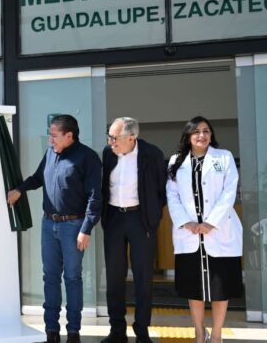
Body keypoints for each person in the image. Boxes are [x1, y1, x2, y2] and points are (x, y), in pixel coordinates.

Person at [7, 115, 102, 343]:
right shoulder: (51, 153)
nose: (50, 140)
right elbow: (38, 177)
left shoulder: (88, 158)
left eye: (54, 136)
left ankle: (73, 332)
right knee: (50, 277)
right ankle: (51, 330)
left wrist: (86, 229)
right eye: (50, 135)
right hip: (49, 224)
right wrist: (20, 189)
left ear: (69, 136)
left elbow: (95, 197)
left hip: (74, 226)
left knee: (72, 278)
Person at [166, 116, 243, 343]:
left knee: (221, 288)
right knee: (194, 289)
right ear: (188, 137)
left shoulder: (224, 157)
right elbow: (172, 195)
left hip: (219, 232)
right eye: (196, 131)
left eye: (206, 131)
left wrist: (212, 222)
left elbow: (229, 192)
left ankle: (217, 335)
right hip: (189, 234)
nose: (202, 135)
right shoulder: (175, 162)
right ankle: (200, 333)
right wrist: (185, 222)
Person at [101, 117, 167, 343]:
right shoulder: (108, 153)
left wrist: (153, 217)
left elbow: (161, 191)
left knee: (143, 277)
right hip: (114, 219)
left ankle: (142, 331)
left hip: (141, 220)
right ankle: (117, 330)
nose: (110, 142)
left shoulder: (152, 155)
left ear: (132, 137)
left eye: (114, 137)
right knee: (114, 277)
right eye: (108, 136)